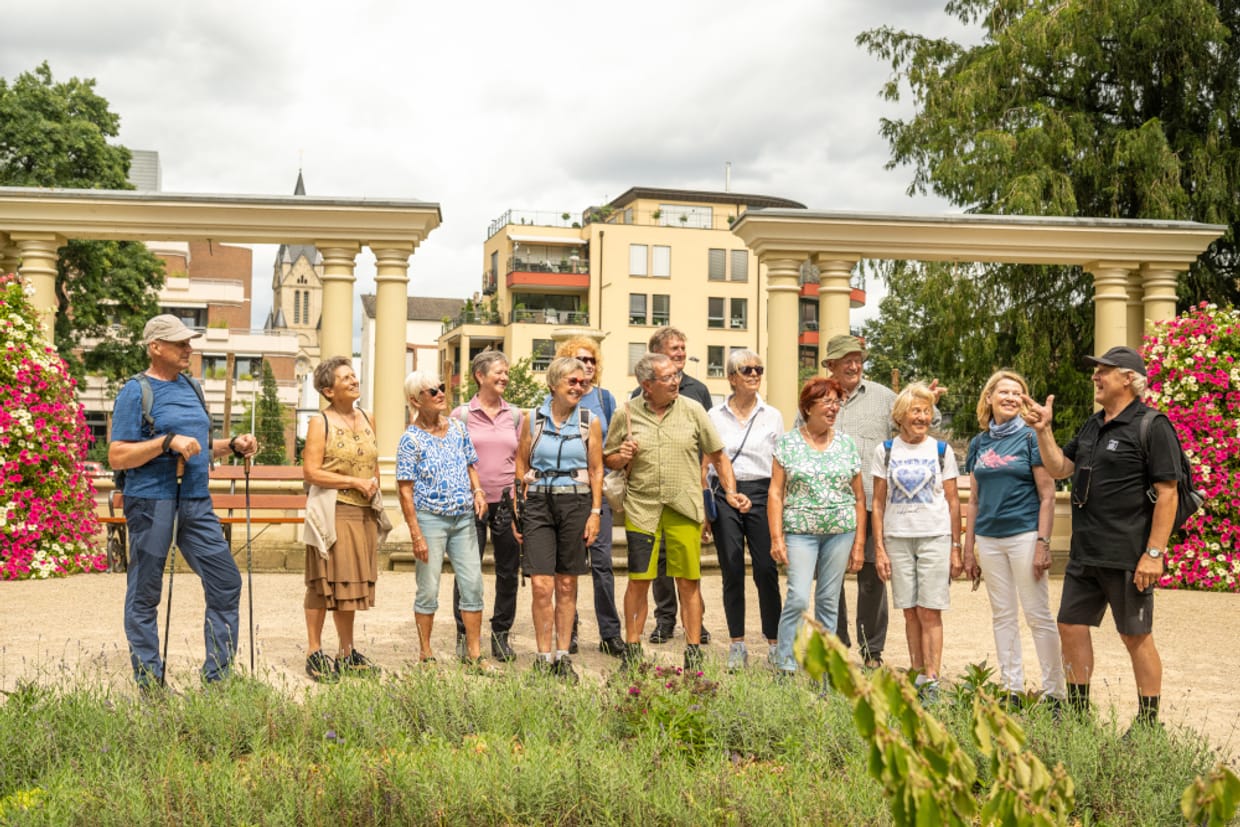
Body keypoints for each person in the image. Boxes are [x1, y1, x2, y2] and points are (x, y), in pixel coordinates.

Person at [1022, 346, 1180, 730]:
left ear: (1128, 378)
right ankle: (1078, 720)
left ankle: (1147, 726)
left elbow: (1169, 492)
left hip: (1129, 554)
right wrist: (1044, 431)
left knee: (1135, 637)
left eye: (1104, 371)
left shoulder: (1152, 425)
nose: (1096, 376)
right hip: (1085, 553)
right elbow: (1061, 467)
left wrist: (1154, 554)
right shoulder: (1093, 425)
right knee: (1070, 626)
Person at [108, 314, 258, 689]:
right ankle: (149, 683)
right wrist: (164, 442)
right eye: (180, 343)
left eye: (189, 342)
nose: (189, 348)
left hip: (195, 501)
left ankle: (218, 679)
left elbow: (198, 449)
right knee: (146, 593)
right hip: (151, 502)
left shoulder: (192, 387)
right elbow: (117, 455)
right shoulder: (135, 390)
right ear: (155, 347)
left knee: (226, 582)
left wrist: (232, 446)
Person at [606, 352, 748, 671]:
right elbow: (608, 459)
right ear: (647, 384)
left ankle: (693, 651)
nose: (676, 381)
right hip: (642, 509)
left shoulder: (693, 409)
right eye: (668, 377)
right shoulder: (625, 413)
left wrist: (730, 492)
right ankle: (631, 652)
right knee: (639, 581)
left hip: (684, 508)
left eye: (676, 376)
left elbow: (718, 455)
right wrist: (621, 455)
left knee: (688, 582)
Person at [822, 334, 943, 669]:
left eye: (858, 358)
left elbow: (919, 422)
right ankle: (835, 642)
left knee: (873, 581)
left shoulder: (883, 397)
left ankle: (871, 651)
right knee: (830, 577)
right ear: (830, 365)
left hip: (874, 507)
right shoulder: (817, 396)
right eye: (846, 359)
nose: (854, 364)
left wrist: (929, 401)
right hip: (829, 505)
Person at [962, 370, 1064, 708]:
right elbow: (974, 500)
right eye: (1002, 391)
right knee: (1002, 615)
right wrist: (968, 549)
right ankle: (1012, 690)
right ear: (988, 397)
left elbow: (1047, 495)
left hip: (1024, 535)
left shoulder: (1031, 438)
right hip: (989, 540)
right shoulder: (979, 444)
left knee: (1037, 614)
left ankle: (1054, 693)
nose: (1009, 397)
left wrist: (1042, 543)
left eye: (1017, 393)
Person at [301, 356, 392, 682]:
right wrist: (354, 483)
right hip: (333, 510)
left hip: (363, 513)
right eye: (346, 378)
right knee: (323, 582)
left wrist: (374, 486)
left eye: (354, 375)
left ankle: (346, 651)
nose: (354, 380)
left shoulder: (369, 417)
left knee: (350, 585)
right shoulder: (319, 423)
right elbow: (311, 472)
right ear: (328, 390)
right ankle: (314, 651)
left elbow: (373, 461)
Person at [514, 357, 604, 682]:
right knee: (541, 585)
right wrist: (518, 505)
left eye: (582, 382)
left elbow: (596, 470)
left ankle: (562, 657)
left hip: (576, 503)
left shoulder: (588, 421)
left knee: (567, 584)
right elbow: (520, 464)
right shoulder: (531, 419)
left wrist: (596, 512)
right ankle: (542, 657)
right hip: (538, 503)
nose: (579, 387)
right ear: (554, 384)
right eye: (572, 382)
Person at [769, 377, 865, 676]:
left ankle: (823, 668)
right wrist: (776, 537)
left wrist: (859, 543)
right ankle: (786, 663)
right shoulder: (787, 443)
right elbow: (775, 492)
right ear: (808, 406)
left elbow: (859, 496)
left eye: (837, 402)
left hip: (840, 532)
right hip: (800, 531)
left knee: (828, 599)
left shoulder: (847, 445)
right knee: (797, 596)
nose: (834, 408)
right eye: (827, 402)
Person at [871, 383, 962, 699]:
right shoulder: (884, 451)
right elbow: (879, 503)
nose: (922, 417)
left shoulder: (941, 451)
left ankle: (932, 678)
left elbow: (953, 501)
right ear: (900, 416)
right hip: (898, 538)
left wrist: (955, 548)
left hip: (935, 536)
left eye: (927, 411)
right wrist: (879, 547)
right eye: (916, 411)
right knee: (909, 611)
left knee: (930, 610)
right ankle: (917, 675)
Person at [396, 370, 490, 666]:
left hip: (463, 519)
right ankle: (426, 653)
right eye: (432, 391)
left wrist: (478, 491)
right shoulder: (410, 440)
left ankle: (474, 654)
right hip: (430, 520)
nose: (440, 394)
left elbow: (471, 464)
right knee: (428, 588)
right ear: (414, 400)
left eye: (440, 388)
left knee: (473, 584)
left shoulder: (459, 428)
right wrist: (415, 533)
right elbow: (404, 490)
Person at [629, 326, 714, 645]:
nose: (680, 353)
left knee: (688, 567)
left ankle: (696, 625)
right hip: (651, 496)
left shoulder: (698, 390)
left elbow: (708, 442)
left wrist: (702, 480)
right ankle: (664, 620)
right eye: (674, 349)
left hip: (687, 488)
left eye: (682, 348)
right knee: (660, 562)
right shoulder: (639, 395)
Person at [704, 349, 784, 670]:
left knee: (766, 569)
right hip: (725, 493)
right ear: (731, 377)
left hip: (762, 491)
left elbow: (780, 464)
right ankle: (737, 643)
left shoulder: (772, 415)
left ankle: (775, 643)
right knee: (732, 567)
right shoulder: (714, 416)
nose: (754, 374)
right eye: (746, 369)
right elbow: (706, 460)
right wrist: (705, 508)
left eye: (758, 369)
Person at [555, 336, 625, 657]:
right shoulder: (558, 398)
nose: (587, 365)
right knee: (568, 566)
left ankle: (610, 633)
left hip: (598, 493)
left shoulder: (604, 398)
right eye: (580, 359)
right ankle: (568, 631)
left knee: (602, 564)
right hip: (566, 493)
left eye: (592, 360)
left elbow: (610, 446)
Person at [450, 351, 523, 662]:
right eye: (498, 372)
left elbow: (521, 459)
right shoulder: (461, 415)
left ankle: (500, 634)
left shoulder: (517, 416)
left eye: (506, 372)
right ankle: (465, 635)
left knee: (508, 572)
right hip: (471, 503)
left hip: (507, 504)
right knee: (468, 573)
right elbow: (454, 462)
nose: (505, 377)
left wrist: (521, 498)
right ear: (480, 376)